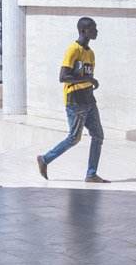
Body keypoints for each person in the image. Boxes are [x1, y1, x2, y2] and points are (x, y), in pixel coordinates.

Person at [38, 17, 107, 183]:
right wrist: (88, 80)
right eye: (93, 28)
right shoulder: (73, 50)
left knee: (98, 135)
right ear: (84, 31)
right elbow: (63, 77)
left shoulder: (90, 53)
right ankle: (45, 159)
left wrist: (90, 82)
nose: (96, 31)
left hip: (89, 100)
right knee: (74, 138)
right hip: (75, 101)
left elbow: (85, 75)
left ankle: (91, 174)